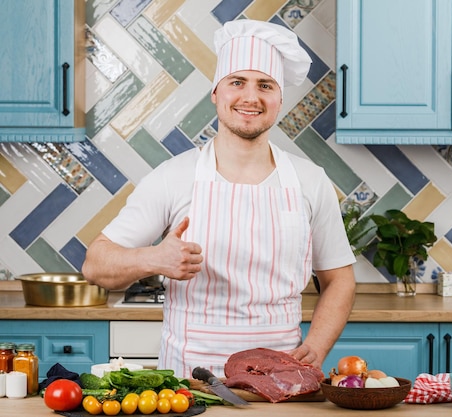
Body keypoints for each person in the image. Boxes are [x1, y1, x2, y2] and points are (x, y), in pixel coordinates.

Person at [82, 19, 356, 378]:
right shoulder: (173, 177)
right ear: (216, 92)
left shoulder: (309, 181)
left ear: (279, 98)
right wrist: (154, 258)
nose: (251, 97)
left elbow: (340, 279)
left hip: (279, 380)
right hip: (189, 384)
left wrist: (316, 348)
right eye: (237, 82)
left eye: (265, 85)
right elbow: (95, 265)